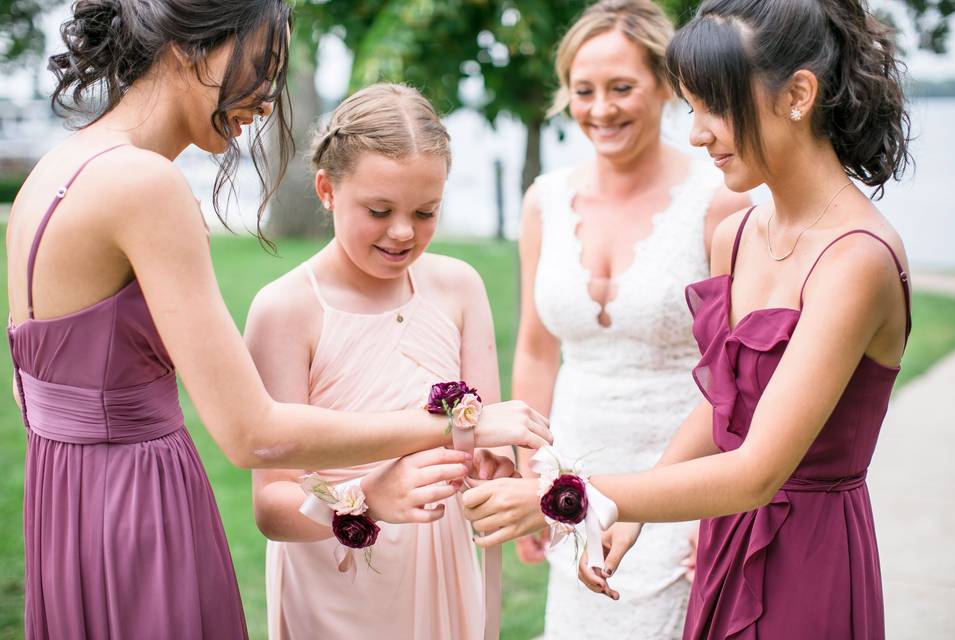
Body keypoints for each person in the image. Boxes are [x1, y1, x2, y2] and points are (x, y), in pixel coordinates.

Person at [4, 2, 549, 637]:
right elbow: (253, 434)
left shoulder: (59, 167)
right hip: (133, 502)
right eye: (262, 65)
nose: (267, 98)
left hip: (67, 497)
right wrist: (457, 422)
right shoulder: (142, 183)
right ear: (193, 46)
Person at [463, 0, 911, 638]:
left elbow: (758, 471)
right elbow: (724, 400)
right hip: (725, 527)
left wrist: (571, 496)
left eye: (714, 107)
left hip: (808, 555)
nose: (697, 133)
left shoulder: (857, 260)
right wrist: (639, 509)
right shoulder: (740, 232)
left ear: (799, 95)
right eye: (692, 107)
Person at [510, 1, 748, 637]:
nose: (601, 109)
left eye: (622, 88)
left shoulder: (718, 201)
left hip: (682, 485)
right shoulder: (545, 202)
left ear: (665, 88)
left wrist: (713, 511)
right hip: (573, 479)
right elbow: (536, 350)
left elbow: (737, 374)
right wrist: (527, 476)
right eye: (583, 90)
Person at [247, 83, 516, 640]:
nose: (402, 232)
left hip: (438, 559)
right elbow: (273, 504)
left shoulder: (459, 288)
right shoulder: (286, 310)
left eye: (425, 212)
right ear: (326, 190)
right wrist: (366, 500)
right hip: (334, 575)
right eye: (378, 210)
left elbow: (485, 437)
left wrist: (495, 463)